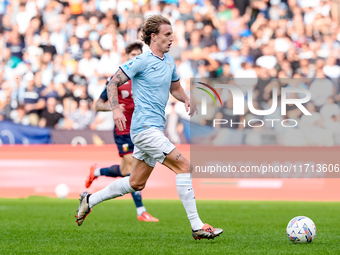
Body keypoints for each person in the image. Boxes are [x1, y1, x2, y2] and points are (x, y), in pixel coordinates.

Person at [76, 15, 223, 240]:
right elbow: (113, 82)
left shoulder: (170, 62)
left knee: (135, 182)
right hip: (144, 129)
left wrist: (185, 98)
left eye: (172, 34)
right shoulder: (141, 60)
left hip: (154, 129)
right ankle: (197, 226)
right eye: (166, 35)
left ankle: (89, 200)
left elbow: (175, 87)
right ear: (153, 37)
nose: (171, 38)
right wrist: (115, 109)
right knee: (184, 166)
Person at [85, 42, 159, 222]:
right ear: (126, 57)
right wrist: (115, 108)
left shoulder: (145, 79)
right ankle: (141, 211)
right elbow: (98, 104)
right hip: (123, 130)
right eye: (131, 54)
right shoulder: (118, 79)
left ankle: (97, 172)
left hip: (141, 130)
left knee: (126, 170)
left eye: (138, 54)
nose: (135, 57)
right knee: (134, 170)